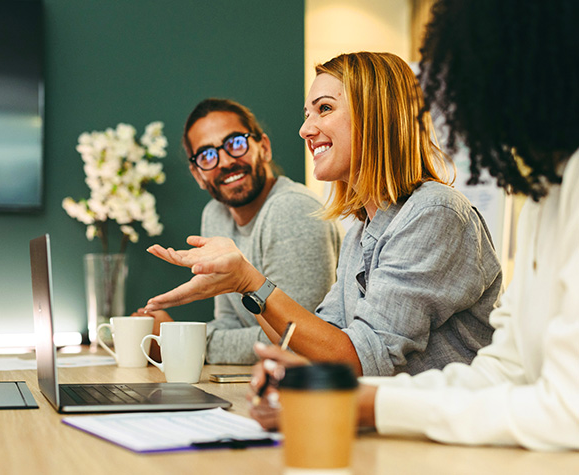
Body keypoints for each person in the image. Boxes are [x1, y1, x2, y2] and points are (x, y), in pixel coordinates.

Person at [250, 0, 579, 451]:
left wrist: (366, 405)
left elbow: (566, 413)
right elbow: (503, 371)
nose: (458, 105)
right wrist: (338, 393)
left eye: (323, 109)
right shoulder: (549, 193)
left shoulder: (438, 212)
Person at [144, 52, 502, 377]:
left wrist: (248, 281)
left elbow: (360, 359)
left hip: (445, 437)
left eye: (325, 109)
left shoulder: (434, 212)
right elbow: (317, 342)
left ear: (374, 114)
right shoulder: (362, 231)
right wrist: (243, 287)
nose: (305, 129)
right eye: (307, 114)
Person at [138, 98, 342, 364]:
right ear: (198, 174)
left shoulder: (292, 209)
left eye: (235, 143)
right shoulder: (215, 215)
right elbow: (230, 322)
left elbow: (297, 343)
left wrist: (177, 342)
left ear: (264, 148)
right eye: (207, 155)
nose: (224, 162)